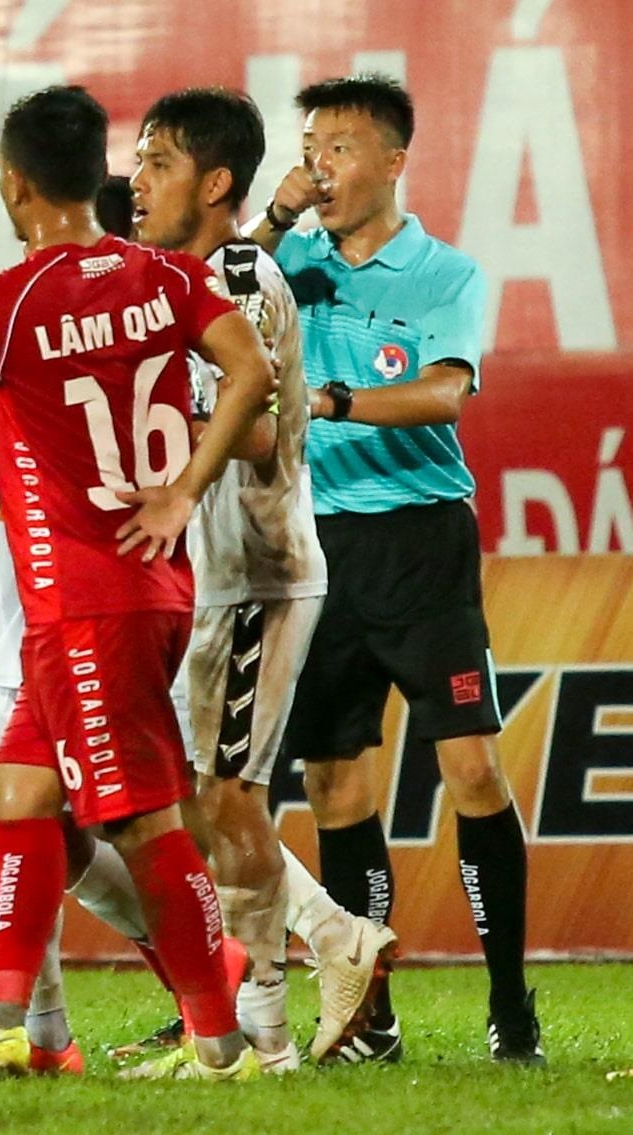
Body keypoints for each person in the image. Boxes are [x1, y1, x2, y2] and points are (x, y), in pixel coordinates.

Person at [0, 84, 276, 1082]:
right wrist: (184, 489)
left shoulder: (1, 299)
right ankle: (3, 1021)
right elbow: (252, 377)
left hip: (85, 597)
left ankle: (219, 1041)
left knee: (143, 823)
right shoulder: (162, 277)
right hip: (134, 593)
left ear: (10, 182)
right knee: (19, 792)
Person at [249, 73, 542, 1064]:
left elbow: (438, 395)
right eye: (310, 143)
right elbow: (201, 286)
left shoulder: (441, 273)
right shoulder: (286, 261)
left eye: (338, 144)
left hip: (417, 540)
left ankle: (509, 1006)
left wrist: (325, 402)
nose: (320, 161)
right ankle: (369, 1017)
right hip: (313, 546)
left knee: (470, 767)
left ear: (389, 158)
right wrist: (273, 216)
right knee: (333, 786)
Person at [118, 86, 396, 1071]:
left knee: (223, 799)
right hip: (224, 573)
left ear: (213, 180)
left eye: (156, 161)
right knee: (207, 799)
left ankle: (306, 974)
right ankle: (260, 1019)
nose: (136, 179)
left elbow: (256, 424)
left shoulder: (234, 276)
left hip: (252, 571)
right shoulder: (189, 273)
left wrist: (160, 474)